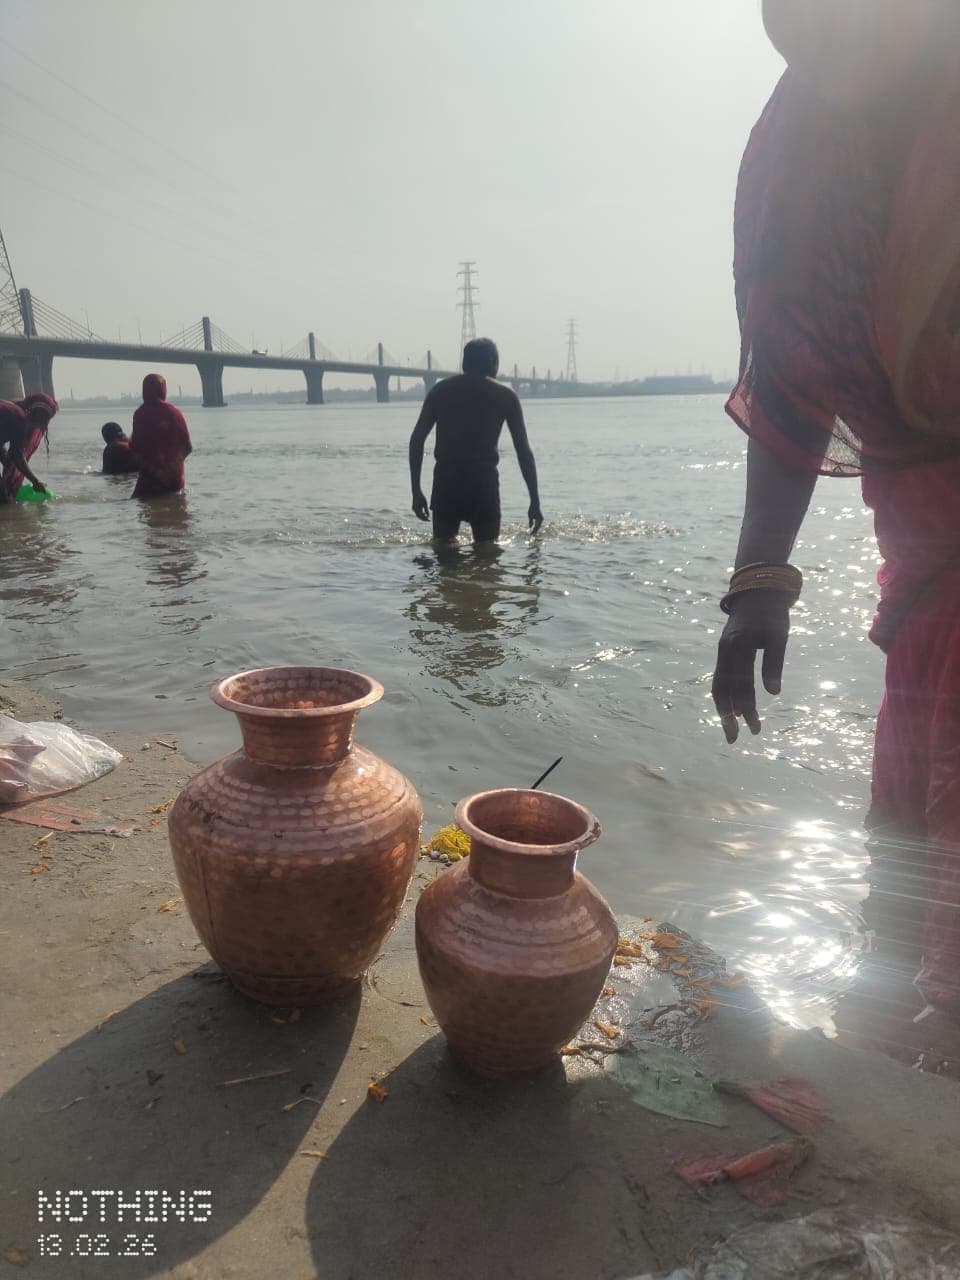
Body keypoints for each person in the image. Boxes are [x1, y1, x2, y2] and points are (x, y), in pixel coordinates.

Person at [711, 3, 960, 1044]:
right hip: (930, 565)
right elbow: (791, 376)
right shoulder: (800, 157)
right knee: (909, 882)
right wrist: (757, 582)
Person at [409, 338, 543, 543]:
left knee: (444, 555)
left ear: (465, 363)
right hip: (483, 482)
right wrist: (534, 500)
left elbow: (417, 440)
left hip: (447, 481)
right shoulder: (505, 396)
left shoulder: (440, 391)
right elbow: (523, 451)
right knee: (487, 555)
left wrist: (416, 491)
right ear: (492, 362)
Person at [129, 374, 192, 499]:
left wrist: (156, 471)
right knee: (177, 512)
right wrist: (170, 470)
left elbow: (135, 446)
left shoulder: (141, 414)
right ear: (163, 389)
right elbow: (187, 446)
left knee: (147, 510)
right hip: (174, 477)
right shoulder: (174, 412)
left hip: (150, 477)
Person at [0, 393, 58, 502]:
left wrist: (6, 462)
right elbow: (17, 456)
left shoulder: (10, 410)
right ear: (34, 413)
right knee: (3, 498)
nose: (42, 424)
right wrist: (35, 482)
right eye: (43, 418)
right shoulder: (19, 419)